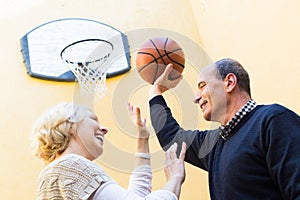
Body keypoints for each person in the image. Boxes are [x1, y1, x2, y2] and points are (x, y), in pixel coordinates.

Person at [148, 58, 300, 199]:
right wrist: (155, 92)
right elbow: (171, 137)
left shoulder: (274, 120)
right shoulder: (213, 145)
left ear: (229, 83)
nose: (196, 98)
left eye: (203, 86)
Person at [32, 102, 187, 200]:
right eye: (93, 119)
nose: (104, 129)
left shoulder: (57, 172)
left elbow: (136, 195)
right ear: (70, 124)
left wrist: (142, 139)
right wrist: (174, 178)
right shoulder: (71, 166)